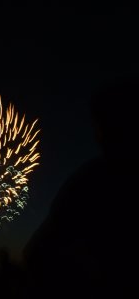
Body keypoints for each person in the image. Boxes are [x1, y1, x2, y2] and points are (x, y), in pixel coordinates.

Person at [22, 75, 138, 298]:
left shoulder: (93, 180)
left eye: (101, 125)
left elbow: (38, 251)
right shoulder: (93, 179)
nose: (97, 135)